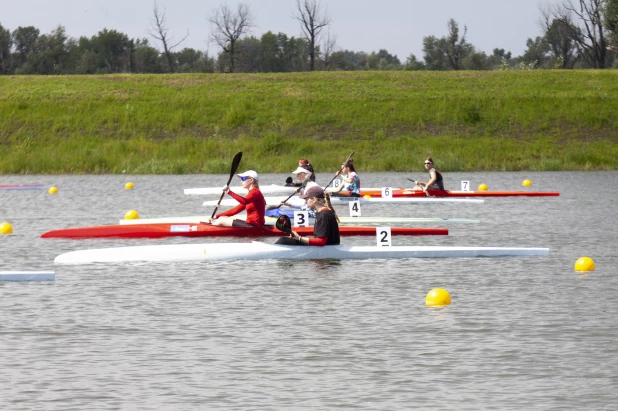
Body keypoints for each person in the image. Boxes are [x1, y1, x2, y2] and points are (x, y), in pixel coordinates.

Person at [275, 186, 340, 246]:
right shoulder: (322, 212)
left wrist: (299, 238)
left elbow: (321, 242)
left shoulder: (324, 215)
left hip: (327, 248)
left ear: (314, 199)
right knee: (287, 240)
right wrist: (297, 238)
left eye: (306, 199)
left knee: (283, 240)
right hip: (326, 247)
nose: (305, 202)